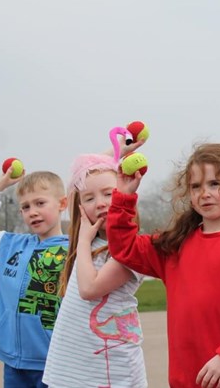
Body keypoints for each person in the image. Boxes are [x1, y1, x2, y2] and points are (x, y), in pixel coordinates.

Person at [106, 143, 220, 388]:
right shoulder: (175, 245)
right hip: (187, 379)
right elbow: (123, 247)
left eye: (215, 183)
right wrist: (124, 197)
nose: (204, 193)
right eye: (196, 186)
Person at [43, 153, 147, 388]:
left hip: (111, 371)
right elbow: (81, 180)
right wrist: (113, 153)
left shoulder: (129, 249)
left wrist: (82, 239)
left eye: (109, 194)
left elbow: (89, 289)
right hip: (73, 367)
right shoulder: (88, 246)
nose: (100, 202)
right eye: (89, 198)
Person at [0, 169, 68, 388]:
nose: (32, 212)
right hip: (15, 362)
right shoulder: (8, 246)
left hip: (56, 363)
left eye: (40, 203)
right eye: (25, 206)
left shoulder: (75, 251)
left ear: (62, 204)